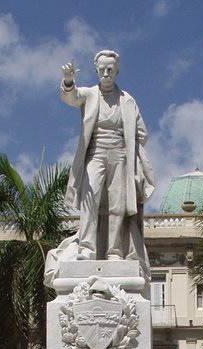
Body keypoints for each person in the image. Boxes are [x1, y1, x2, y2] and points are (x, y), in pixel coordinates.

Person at [46, 51, 154, 285]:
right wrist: (67, 80)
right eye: (102, 69)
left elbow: (142, 133)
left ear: (117, 71)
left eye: (110, 69)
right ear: (96, 70)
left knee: (118, 205)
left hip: (120, 155)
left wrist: (129, 143)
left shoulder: (127, 100)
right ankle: (87, 249)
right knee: (90, 200)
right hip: (95, 153)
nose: (106, 73)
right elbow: (71, 97)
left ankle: (115, 250)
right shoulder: (90, 94)